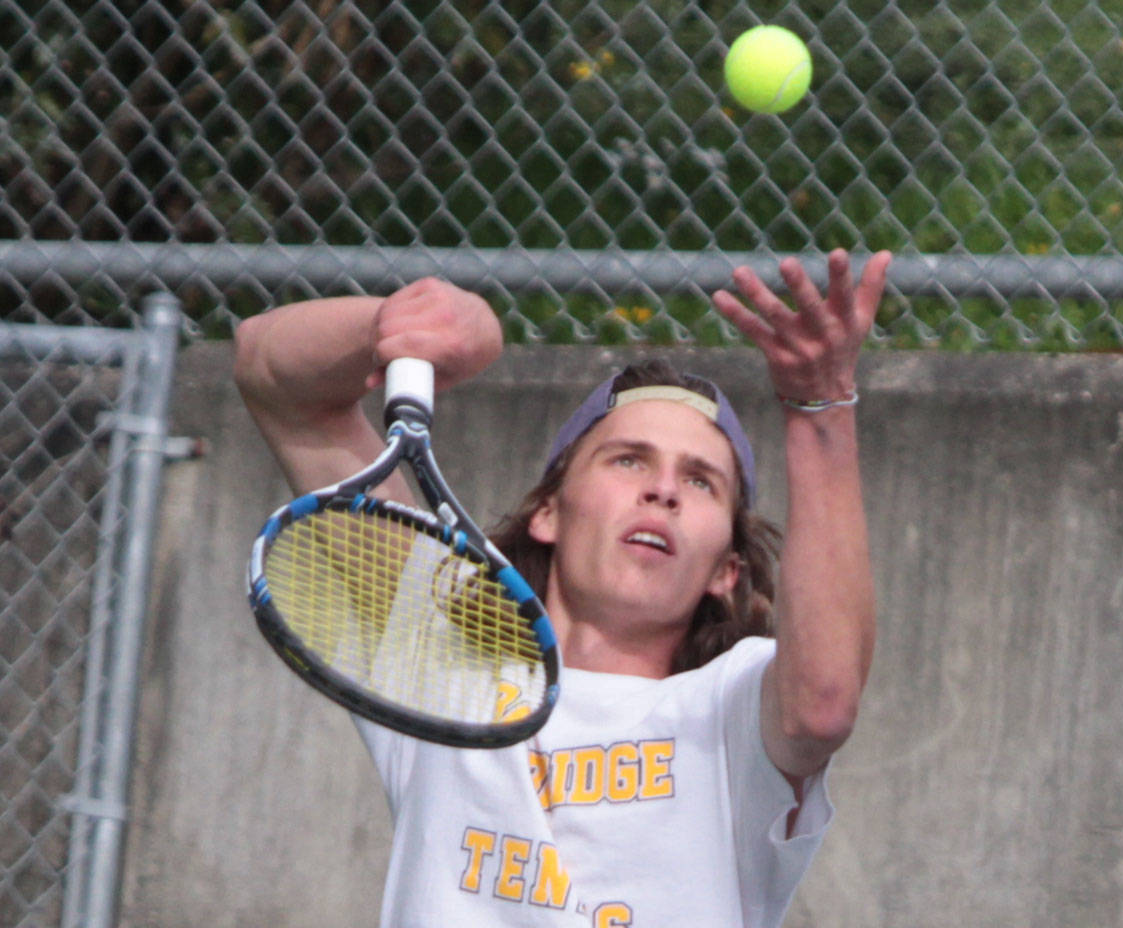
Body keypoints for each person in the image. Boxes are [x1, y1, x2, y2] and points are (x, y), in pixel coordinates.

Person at [233, 248, 892, 927]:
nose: (662, 489)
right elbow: (272, 371)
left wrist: (820, 410)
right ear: (548, 512)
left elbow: (823, 705)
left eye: (700, 481)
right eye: (628, 459)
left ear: (727, 571)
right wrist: (390, 323)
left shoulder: (730, 708)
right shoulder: (443, 669)